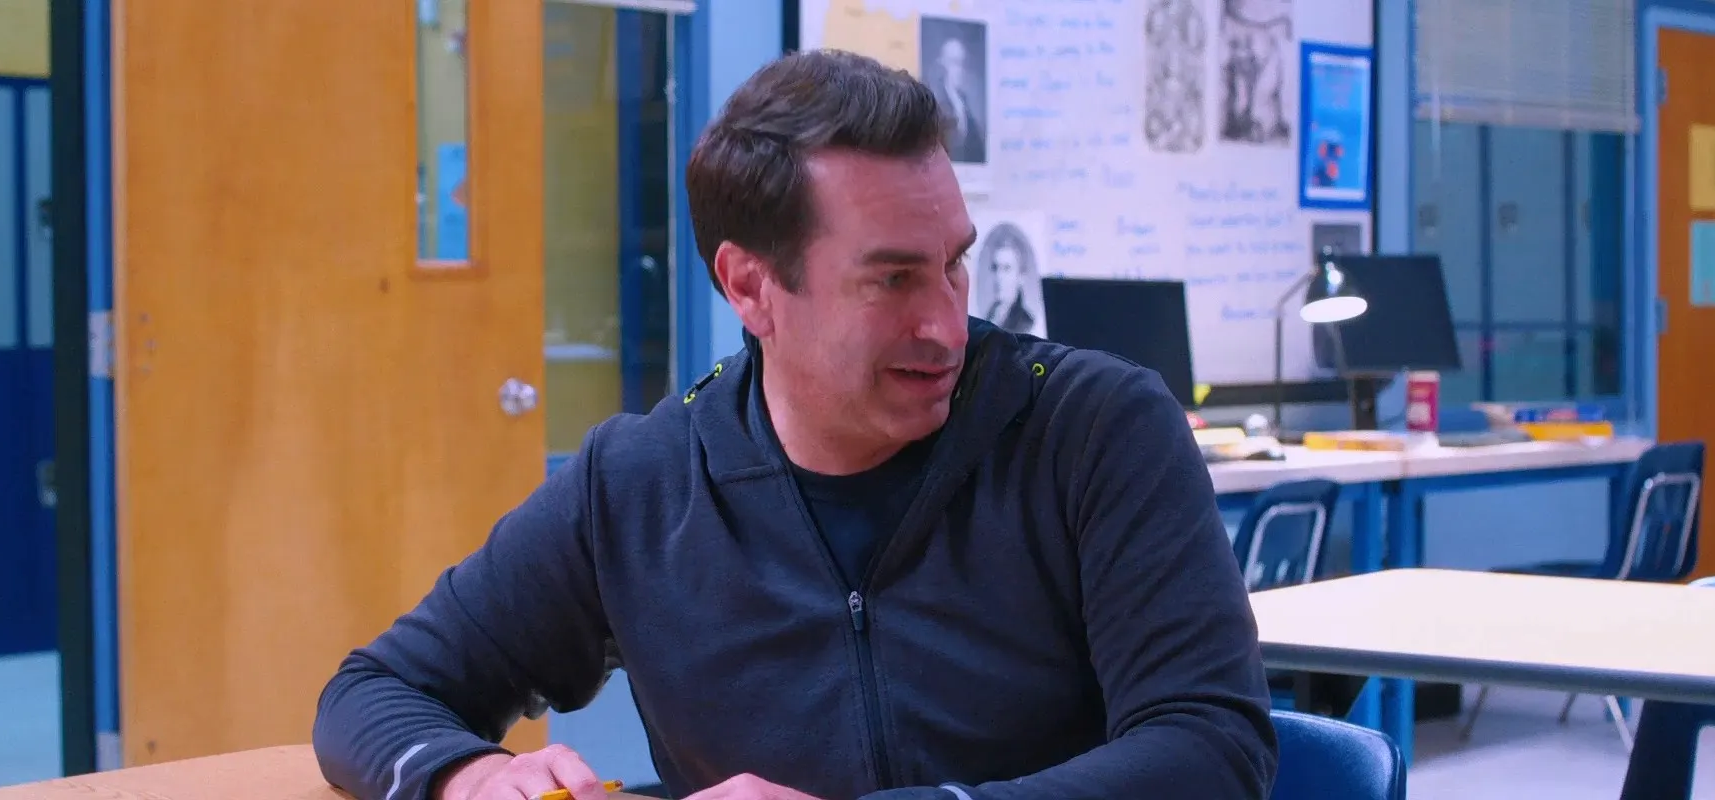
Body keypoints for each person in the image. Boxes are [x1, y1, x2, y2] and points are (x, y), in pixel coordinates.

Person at [313, 49, 1275, 800]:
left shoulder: (1095, 430)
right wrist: (467, 773)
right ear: (750, 287)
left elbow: (1211, 748)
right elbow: (374, 692)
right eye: (892, 279)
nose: (947, 323)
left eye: (954, 263)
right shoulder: (640, 485)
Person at [927, 37, 986, 163]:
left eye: (963, 63)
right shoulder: (934, 101)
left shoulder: (964, 102)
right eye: (955, 62)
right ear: (942, 64)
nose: (960, 69)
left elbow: (976, 146)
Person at [976, 224, 1038, 335]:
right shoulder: (990, 316)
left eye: (1006, 268)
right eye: (995, 267)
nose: (999, 276)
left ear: (1021, 276)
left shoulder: (1025, 323)